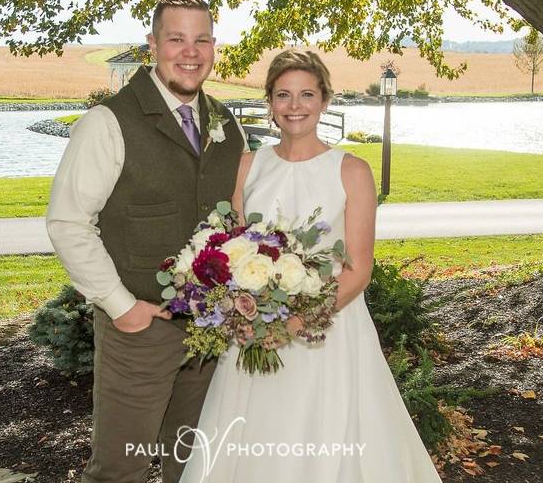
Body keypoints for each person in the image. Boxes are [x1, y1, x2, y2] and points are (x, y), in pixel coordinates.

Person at [179, 50, 442, 483]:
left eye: (306, 94)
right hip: (256, 332)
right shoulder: (249, 166)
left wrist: (294, 324)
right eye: (283, 95)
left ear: (324, 100)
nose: (294, 105)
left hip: (328, 334)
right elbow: (235, 251)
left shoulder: (351, 171)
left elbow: (357, 271)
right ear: (270, 102)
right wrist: (242, 312)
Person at [45, 0, 246, 483]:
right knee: (119, 469)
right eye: (176, 39)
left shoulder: (226, 123)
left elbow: (236, 222)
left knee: (197, 466)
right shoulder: (107, 123)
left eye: (201, 40)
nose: (190, 52)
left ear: (214, 47)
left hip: (208, 332)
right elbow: (68, 222)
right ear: (152, 45)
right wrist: (121, 306)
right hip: (140, 328)